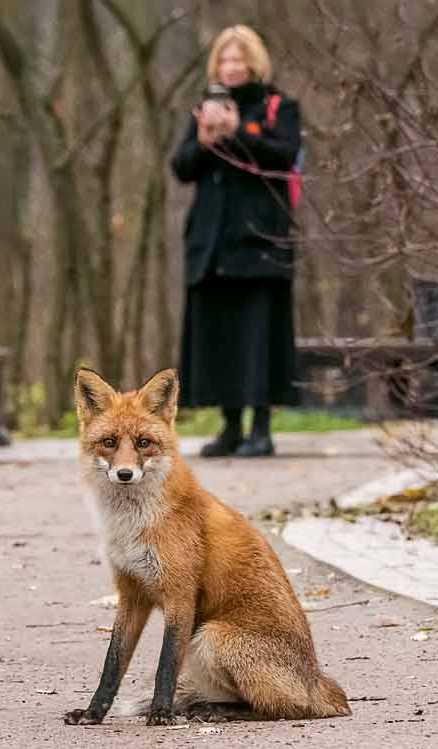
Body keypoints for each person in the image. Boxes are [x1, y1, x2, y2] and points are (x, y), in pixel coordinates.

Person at [171, 24, 301, 458]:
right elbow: (182, 167)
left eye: (238, 59)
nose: (230, 67)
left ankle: (261, 428)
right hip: (210, 246)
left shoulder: (279, 108)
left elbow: (283, 155)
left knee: (259, 337)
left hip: (259, 243)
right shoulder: (204, 109)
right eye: (224, 60)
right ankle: (229, 426)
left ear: (254, 62)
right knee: (220, 336)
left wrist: (238, 133)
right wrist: (206, 140)